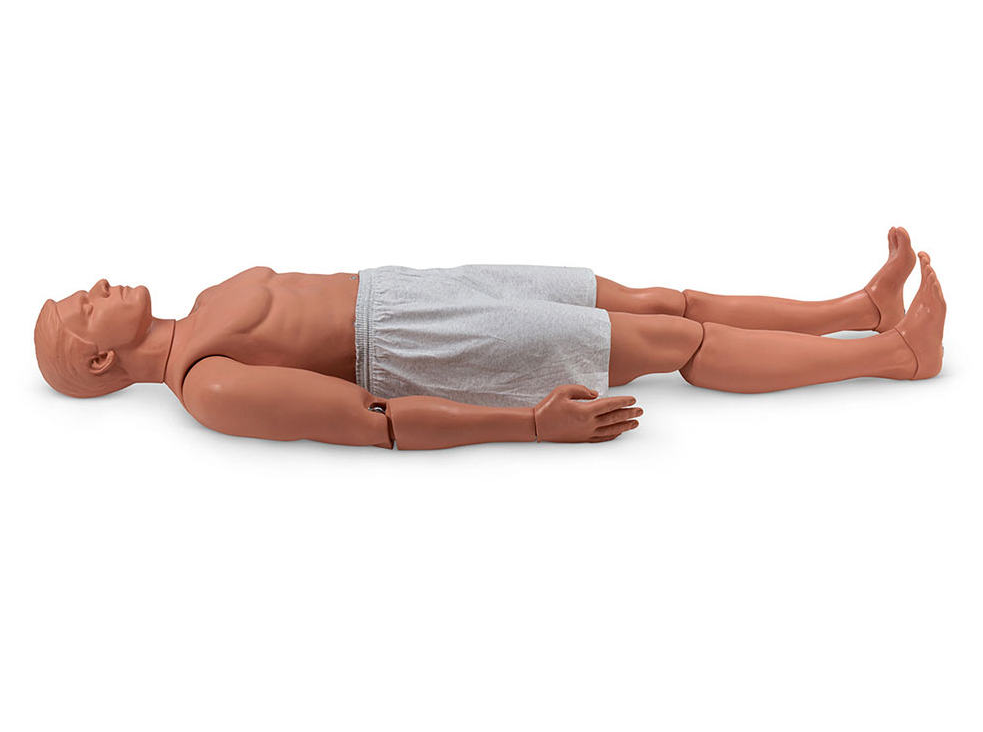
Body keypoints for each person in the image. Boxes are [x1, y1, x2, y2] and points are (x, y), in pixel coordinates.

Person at [34, 227, 945, 450]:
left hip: (412, 288)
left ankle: (854, 310)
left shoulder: (205, 300)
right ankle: (895, 356)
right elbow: (375, 418)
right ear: (99, 360)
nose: (97, 286)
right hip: (420, 340)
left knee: (650, 296)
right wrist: (529, 424)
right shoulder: (209, 385)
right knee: (672, 340)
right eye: (83, 306)